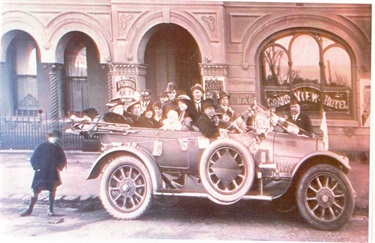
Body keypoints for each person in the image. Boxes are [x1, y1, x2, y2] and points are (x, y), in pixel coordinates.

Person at [20, 129, 67, 217]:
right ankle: (29, 209)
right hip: (41, 172)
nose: (56, 139)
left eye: (57, 137)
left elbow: (63, 159)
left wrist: (59, 167)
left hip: (52, 172)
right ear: (49, 137)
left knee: (52, 190)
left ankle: (50, 210)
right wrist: (37, 168)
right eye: (54, 137)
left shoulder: (58, 148)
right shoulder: (41, 146)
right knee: (35, 190)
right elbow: (33, 158)